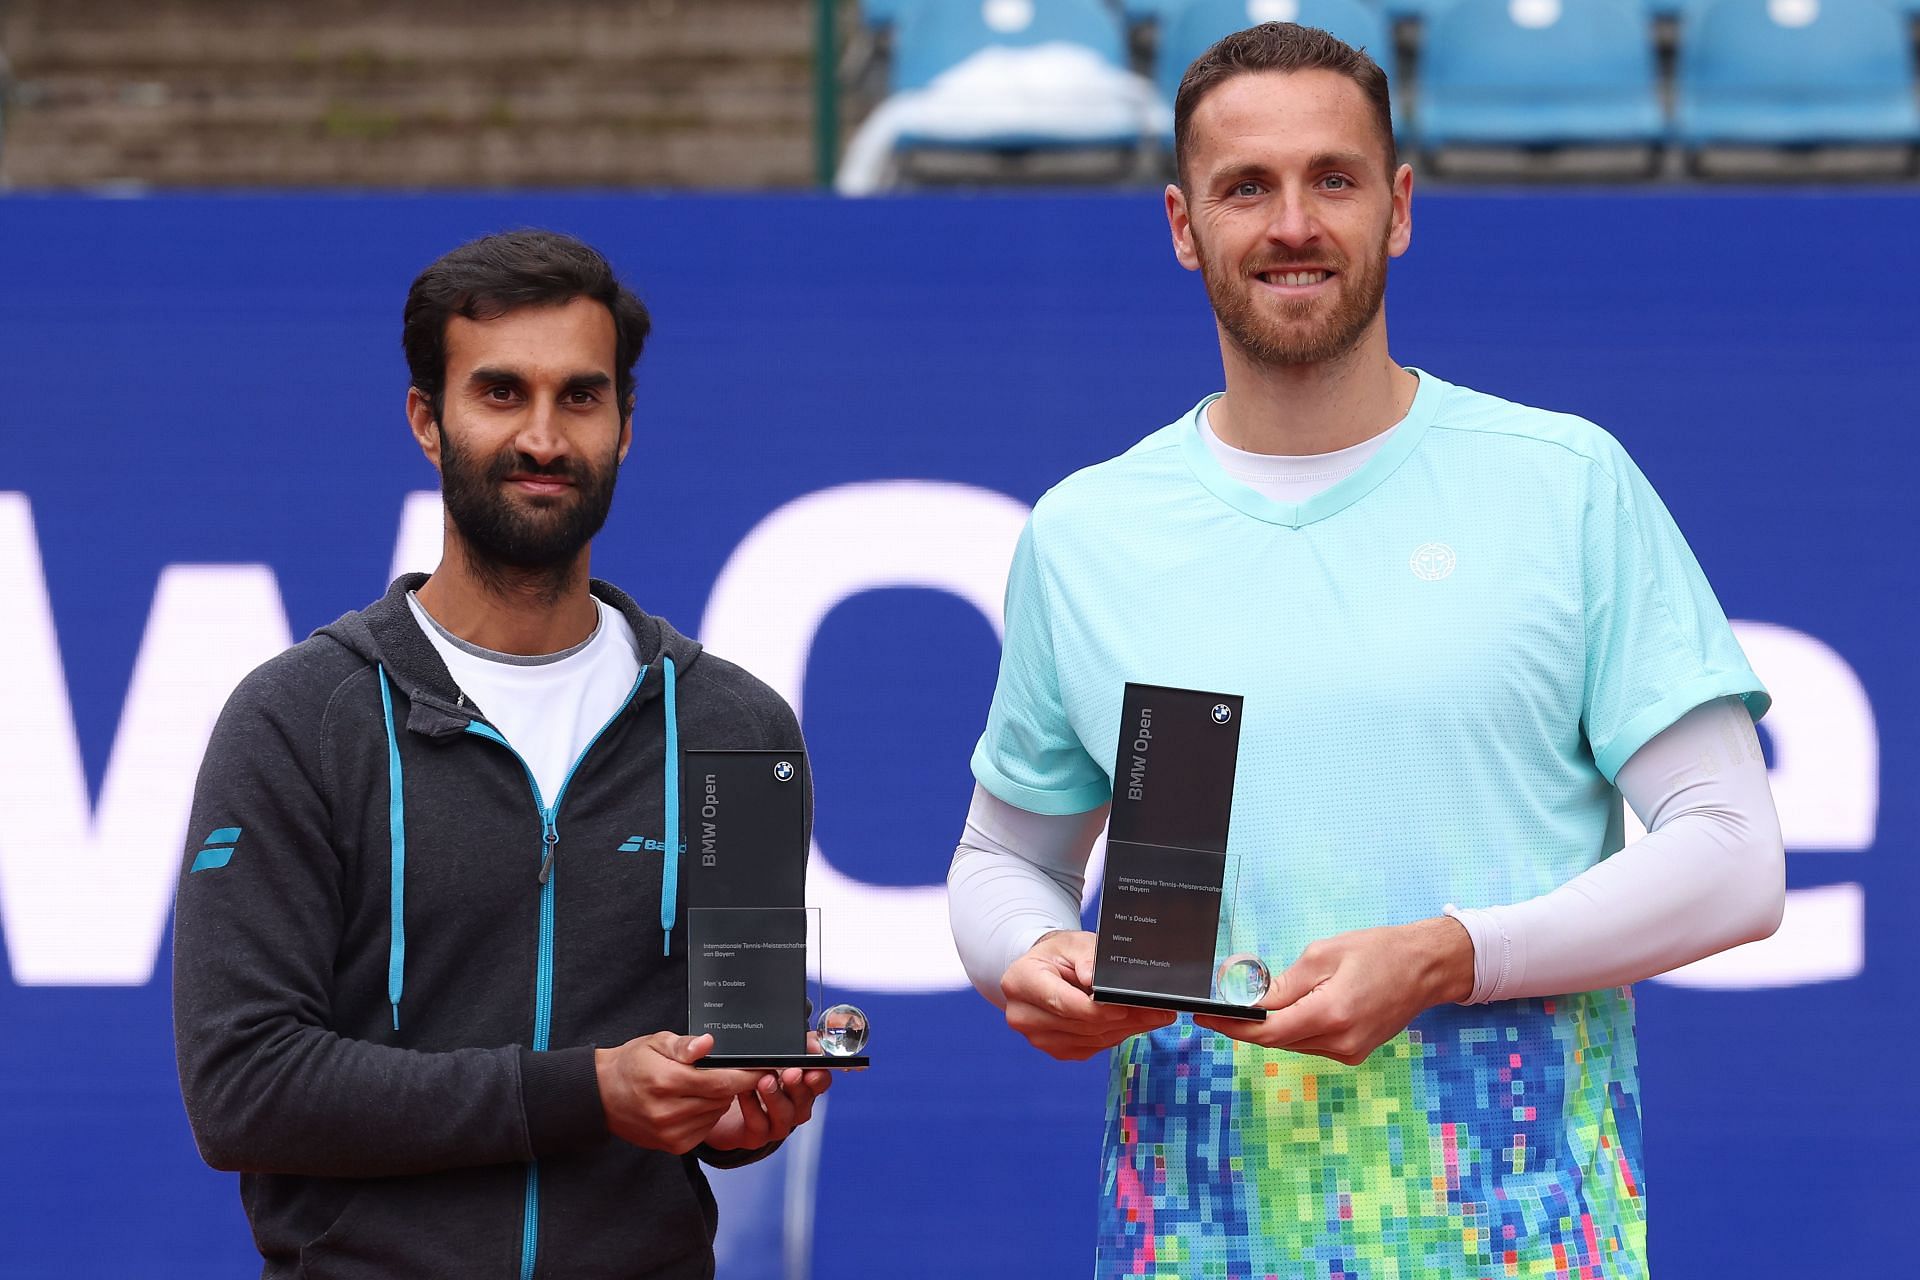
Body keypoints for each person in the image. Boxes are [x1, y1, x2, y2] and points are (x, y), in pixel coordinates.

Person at [947, 23, 1784, 1279]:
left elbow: (1734, 856)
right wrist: (1032, 954)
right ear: (1183, 224)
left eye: (1332, 179)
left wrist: (1450, 953)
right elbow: (1004, 853)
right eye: (1248, 187)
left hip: (1524, 1244)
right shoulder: (1085, 532)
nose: (1293, 223)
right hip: (1193, 1241)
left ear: (1397, 209)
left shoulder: (1564, 484)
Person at [173, 229, 830, 1280]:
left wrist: (746, 1107)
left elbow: (726, 1072)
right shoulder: (300, 718)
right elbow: (242, 1085)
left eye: (580, 396)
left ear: (625, 424)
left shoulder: (735, 726)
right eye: (499, 393)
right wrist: (586, 1090)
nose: (543, 436)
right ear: (427, 422)